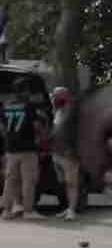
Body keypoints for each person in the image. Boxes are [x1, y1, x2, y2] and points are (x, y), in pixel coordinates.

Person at [0, 77, 50, 221]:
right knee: (28, 181)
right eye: (28, 90)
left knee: (10, 181)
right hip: (27, 149)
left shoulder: (6, 106)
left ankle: (6, 211)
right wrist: (44, 138)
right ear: (25, 91)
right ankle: (28, 211)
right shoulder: (29, 106)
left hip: (10, 150)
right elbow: (37, 127)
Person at [50, 87, 80, 221]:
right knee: (63, 183)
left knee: (71, 183)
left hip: (69, 154)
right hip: (57, 153)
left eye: (57, 96)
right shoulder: (58, 111)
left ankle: (72, 210)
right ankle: (68, 208)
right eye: (54, 96)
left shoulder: (73, 112)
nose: (54, 98)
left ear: (66, 96)